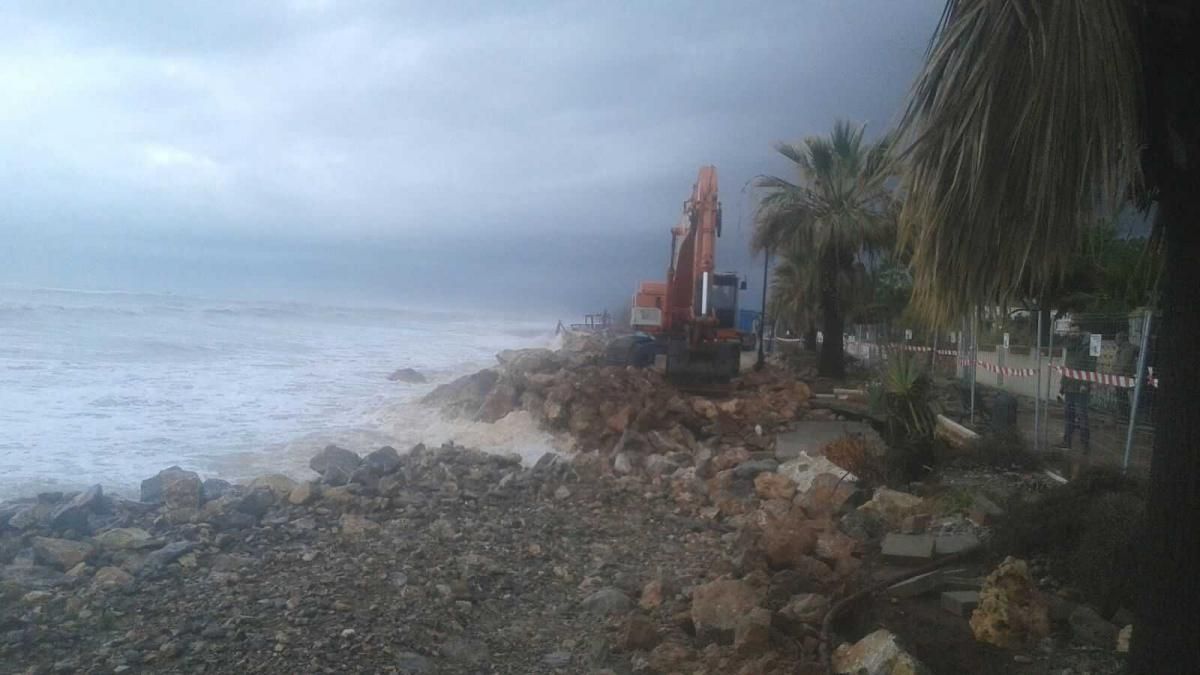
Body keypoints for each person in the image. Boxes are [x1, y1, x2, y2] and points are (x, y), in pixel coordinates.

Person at [1056, 327, 1093, 453]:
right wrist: (1062, 385)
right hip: (1069, 386)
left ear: (1080, 333)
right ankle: (1067, 441)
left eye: (1076, 331)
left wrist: (1085, 383)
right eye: (1071, 332)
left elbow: (1090, 367)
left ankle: (1085, 444)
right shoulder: (1070, 347)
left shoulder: (1086, 347)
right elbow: (1067, 367)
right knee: (1068, 415)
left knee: (1082, 415)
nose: (1073, 334)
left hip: (1081, 387)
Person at [1114, 331, 1139, 421]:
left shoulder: (1127, 349)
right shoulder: (1123, 348)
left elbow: (1123, 365)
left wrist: (1116, 374)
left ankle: (1126, 417)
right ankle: (1125, 416)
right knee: (1122, 397)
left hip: (1124, 377)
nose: (1115, 341)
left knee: (1123, 397)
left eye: (1116, 339)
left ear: (1121, 339)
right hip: (1122, 376)